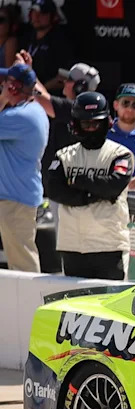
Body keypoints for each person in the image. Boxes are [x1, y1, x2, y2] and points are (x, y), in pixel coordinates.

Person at [44, 92, 134, 280]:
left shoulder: (121, 154)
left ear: (106, 123)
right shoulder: (64, 156)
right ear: (76, 124)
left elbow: (112, 187)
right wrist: (91, 196)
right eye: (86, 123)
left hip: (109, 246)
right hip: (72, 246)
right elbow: (54, 190)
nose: (92, 128)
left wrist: (79, 182)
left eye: (96, 123)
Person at [0, 62, 47, 272]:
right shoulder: (31, 109)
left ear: (13, 88)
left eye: (6, 84)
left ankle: (30, 306)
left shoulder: (21, 116)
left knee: (23, 265)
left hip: (15, 201)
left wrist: (2, 98)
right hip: (15, 198)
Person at [30, 60, 100, 173]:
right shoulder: (83, 108)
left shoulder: (78, 109)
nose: (64, 82)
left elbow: (41, 98)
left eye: (69, 80)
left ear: (79, 87)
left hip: (64, 179)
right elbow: (44, 95)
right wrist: (29, 71)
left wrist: (27, 72)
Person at [20, 0, 73, 91]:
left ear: (54, 17)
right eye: (34, 12)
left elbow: (62, 78)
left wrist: (39, 90)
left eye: (42, 13)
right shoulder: (27, 37)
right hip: (26, 91)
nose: (36, 16)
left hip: (49, 96)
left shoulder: (60, 41)